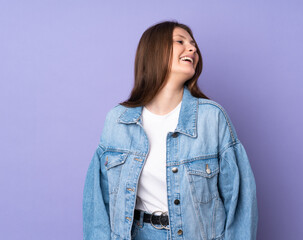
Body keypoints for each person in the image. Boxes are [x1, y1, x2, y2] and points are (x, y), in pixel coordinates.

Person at [83, 20, 258, 240]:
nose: (192, 49)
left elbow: (241, 202)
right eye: (180, 41)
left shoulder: (211, 118)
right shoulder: (117, 120)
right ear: (155, 51)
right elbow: (97, 205)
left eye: (193, 44)